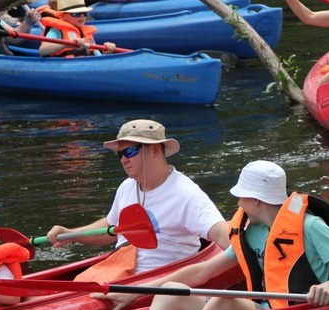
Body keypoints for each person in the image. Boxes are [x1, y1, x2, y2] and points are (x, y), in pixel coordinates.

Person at [96, 160, 329, 310]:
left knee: (223, 301)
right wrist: (137, 291)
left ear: (256, 200)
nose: (238, 203)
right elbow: (202, 270)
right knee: (172, 289)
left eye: (241, 197)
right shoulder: (250, 231)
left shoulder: (311, 227)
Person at [46, 119, 231, 281]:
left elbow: (225, 236)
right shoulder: (127, 187)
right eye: (120, 153)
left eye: (131, 151)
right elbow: (112, 228)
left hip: (157, 282)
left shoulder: (187, 195)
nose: (123, 160)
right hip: (117, 273)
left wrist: (253, 259)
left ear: (155, 150)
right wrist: (71, 234)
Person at [38, 0, 116, 56]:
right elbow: (43, 50)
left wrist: (107, 53)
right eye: (76, 14)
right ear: (63, 16)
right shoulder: (56, 31)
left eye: (84, 13)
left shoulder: (87, 34)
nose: (82, 16)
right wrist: (67, 44)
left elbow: (98, 57)